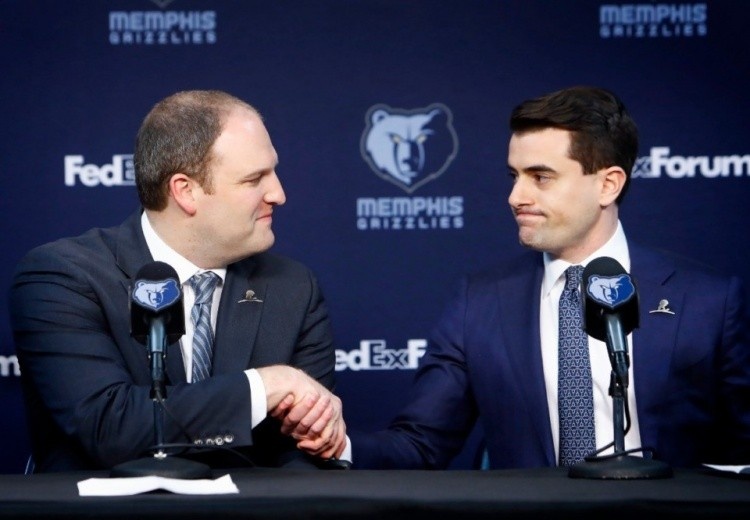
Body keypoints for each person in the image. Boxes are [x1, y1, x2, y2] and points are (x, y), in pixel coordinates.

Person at [342, 85, 750, 469]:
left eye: (541, 177)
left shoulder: (708, 301)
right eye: (514, 176)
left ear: (608, 185)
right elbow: (420, 444)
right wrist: (336, 446)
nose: (516, 197)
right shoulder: (479, 302)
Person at [10, 90, 346, 472]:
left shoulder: (293, 288)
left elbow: (304, 451)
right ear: (185, 191)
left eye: (273, 171)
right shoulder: (62, 278)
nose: (279, 194)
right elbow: (108, 427)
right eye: (254, 179)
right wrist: (264, 385)